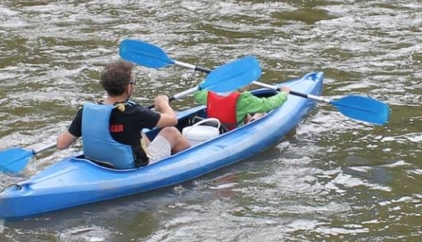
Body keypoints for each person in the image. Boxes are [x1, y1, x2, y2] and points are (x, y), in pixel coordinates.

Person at [57, 61, 191, 168]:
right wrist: (163, 104)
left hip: (98, 163)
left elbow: (61, 144)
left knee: (139, 133)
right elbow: (172, 120)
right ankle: (186, 165)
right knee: (171, 132)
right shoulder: (135, 112)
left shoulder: (86, 111)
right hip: (129, 167)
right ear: (128, 87)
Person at [193, 80, 290, 131]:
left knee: (244, 113)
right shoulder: (244, 98)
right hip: (233, 130)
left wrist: (213, 78)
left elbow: (197, 92)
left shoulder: (209, 92)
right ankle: (252, 122)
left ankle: (249, 119)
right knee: (261, 110)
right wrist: (284, 93)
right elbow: (268, 104)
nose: (250, 84)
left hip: (217, 126)